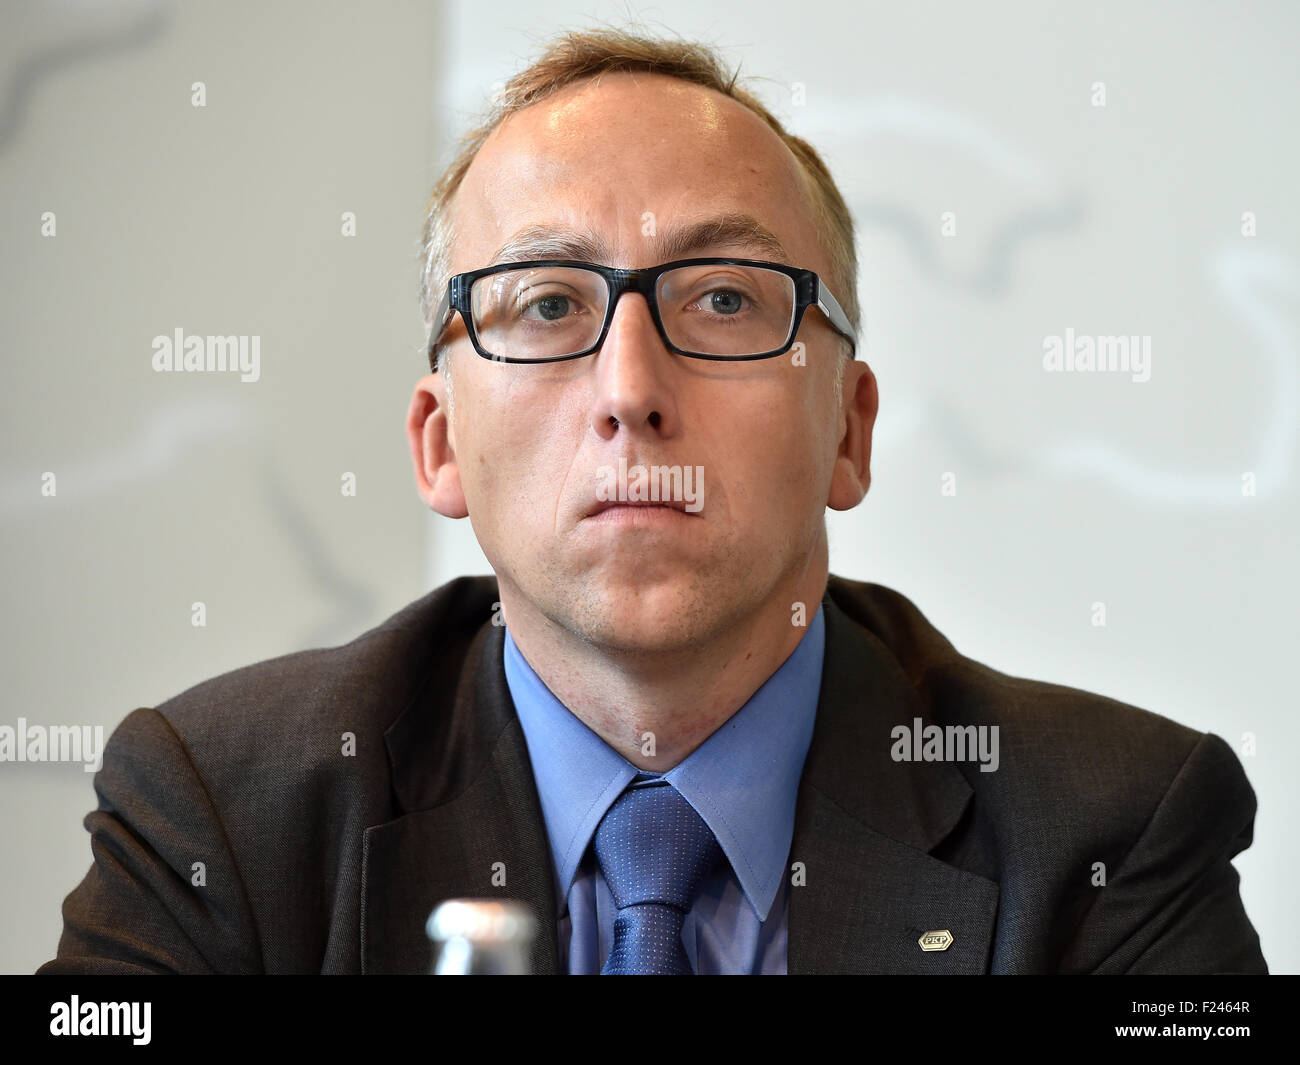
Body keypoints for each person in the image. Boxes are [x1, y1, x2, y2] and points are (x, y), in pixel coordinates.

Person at [39, 27, 1266, 975]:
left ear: (848, 429)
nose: (631, 391)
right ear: (438, 447)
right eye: (547, 304)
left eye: (724, 299)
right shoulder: (219, 812)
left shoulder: (1112, 831)